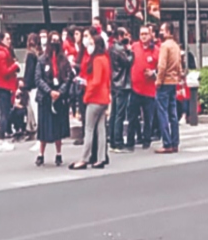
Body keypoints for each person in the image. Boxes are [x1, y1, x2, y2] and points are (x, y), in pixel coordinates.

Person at [70, 32, 110, 170]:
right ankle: (101, 158)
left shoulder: (97, 59)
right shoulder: (105, 58)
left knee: (89, 129)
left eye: (92, 43)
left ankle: (84, 159)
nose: (89, 46)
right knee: (101, 129)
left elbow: (96, 81)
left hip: (95, 98)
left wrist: (87, 94)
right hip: (103, 97)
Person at [35, 35, 72, 166]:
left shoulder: (64, 60)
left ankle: (58, 153)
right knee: (44, 128)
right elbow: (38, 79)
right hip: (45, 98)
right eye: (53, 41)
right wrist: (49, 91)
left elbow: (68, 78)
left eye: (57, 41)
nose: (54, 44)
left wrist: (60, 92)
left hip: (59, 98)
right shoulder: (41, 60)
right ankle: (41, 154)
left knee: (58, 127)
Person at [154, 22, 183, 154]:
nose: (160, 32)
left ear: (167, 32)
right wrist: (179, 77)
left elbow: (162, 66)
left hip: (165, 81)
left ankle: (167, 143)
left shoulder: (165, 46)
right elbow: (179, 65)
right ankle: (175, 142)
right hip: (174, 81)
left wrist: (158, 81)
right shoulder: (176, 46)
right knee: (173, 113)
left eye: (162, 30)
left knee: (163, 112)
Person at [129, 25, 159, 151]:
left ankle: (147, 140)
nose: (143, 36)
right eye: (141, 34)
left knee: (148, 117)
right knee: (132, 116)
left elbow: (161, 68)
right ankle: (131, 140)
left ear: (151, 35)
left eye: (146, 33)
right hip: (135, 88)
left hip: (149, 90)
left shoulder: (156, 50)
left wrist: (153, 73)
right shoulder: (134, 47)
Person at [0, 32, 20, 151]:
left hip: (1, 86)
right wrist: (14, 66)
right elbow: (4, 72)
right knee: (4, 114)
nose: (10, 41)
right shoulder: (3, 54)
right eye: (7, 38)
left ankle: (2, 137)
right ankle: (1, 139)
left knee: (4, 113)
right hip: (4, 86)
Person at [109, 28, 134, 153]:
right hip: (122, 84)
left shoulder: (112, 48)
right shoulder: (120, 49)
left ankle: (113, 139)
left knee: (114, 113)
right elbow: (128, 62)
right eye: (124, 35)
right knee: (119, 113)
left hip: (114, 83)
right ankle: (117, 141)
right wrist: (130, 52)